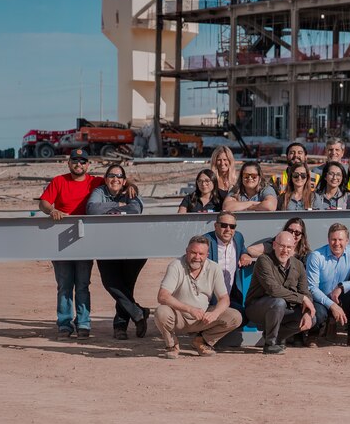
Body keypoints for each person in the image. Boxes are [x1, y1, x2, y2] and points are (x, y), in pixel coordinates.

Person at [38, 148, 104, 340]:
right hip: (61, 242)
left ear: (88, 165)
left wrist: (130, 185)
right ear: (69, 163)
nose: (78, 164)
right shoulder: (59, 181)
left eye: (82, 161)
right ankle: (64, 325)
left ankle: (83, 323)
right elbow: (43, 203)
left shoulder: (96, 182)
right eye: (75, 161)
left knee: (82, 284)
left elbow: (116, 183)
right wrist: (52, 210)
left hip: (85, 241)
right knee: (64, 285)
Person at [154, 236, 243, 359]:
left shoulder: (214, 268)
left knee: (235, 317)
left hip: (202, 318)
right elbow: (163, 296)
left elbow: (224, 298)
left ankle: (202, 341)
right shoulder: (176, 266)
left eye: (201, 254)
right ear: (187, 251)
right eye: (193, 252)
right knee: (161, 312)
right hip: (179, 318)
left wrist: (215, 313)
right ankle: (172, 345)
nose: (197, 257)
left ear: (207, 255)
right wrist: (189, 309)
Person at [87, 165, 150, 340]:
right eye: (111, 175)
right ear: (106, 178)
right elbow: (92, 209)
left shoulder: (131, 191)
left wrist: (108, 209)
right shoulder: (99, 191)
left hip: (133, 247)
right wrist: (119, 206)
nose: (115, 179)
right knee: (111, 283)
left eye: (119, 176)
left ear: (124, 180)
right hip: (106, 246)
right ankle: (138, 313)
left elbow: (135, 210)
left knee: (126, 286)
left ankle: (120, 326)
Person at [244, 231, 316, 354]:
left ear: (293, 248)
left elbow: (305, 292)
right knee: (278, 302)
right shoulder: (264, 260)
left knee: (311, 319)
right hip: (257, 308)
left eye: (289, 247)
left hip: (283, 309)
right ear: (274, 245)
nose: (285, 250)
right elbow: (274, 289)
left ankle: (276, 336)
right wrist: (302, 299)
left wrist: (308, 313)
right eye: (282, 246)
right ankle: (270, 344)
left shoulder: (298, 265)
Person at [305, 223, 350, 348]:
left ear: (347, 241)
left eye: (340, 239)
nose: (337, 243)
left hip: (340, 297)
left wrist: (342, 287)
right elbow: (312, 288)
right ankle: (313, 335)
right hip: (320, 299)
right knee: (318, 313)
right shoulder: (316, 256)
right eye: (333, 239)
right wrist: (332, 305)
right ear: (328, 240)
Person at [204, 211, 255, 319]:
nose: (228, 229)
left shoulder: (238, 237)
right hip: (208, 300)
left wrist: (245, 254)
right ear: (215, 226)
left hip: (229, 298)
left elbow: (242, 248)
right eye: (224, 225)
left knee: (245, 317)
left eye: (232, 226)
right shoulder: (205, 241)